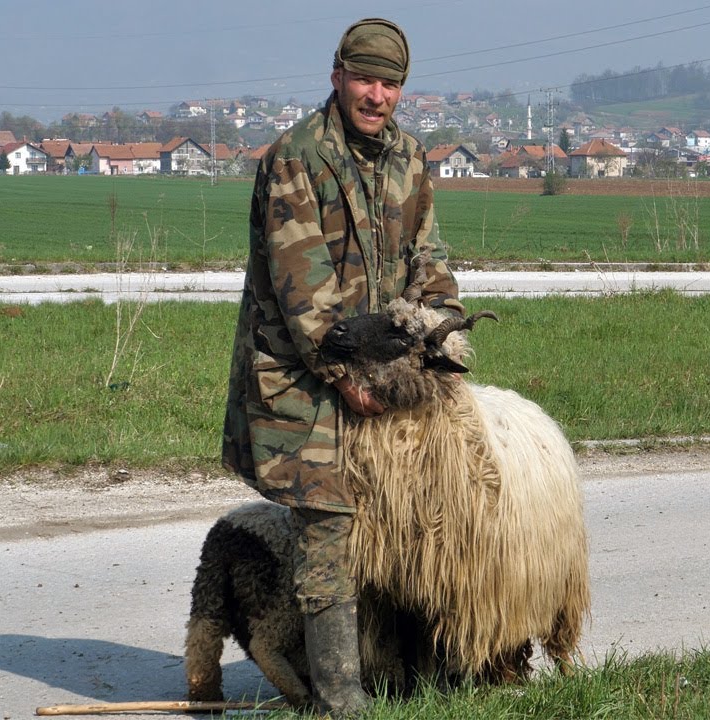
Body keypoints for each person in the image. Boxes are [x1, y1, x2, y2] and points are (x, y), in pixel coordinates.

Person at [221, 17, 463, 715]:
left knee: (415, 517)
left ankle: (422, 675)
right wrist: (350, 382)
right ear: (337, 76)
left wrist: (440, 336)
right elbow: (306, 300)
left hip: (392, 376)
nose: (377, 95)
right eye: (365, 78)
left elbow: (431, 260)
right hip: (307, 383)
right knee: (330, 528)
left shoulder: (410, 159)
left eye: (390, 84)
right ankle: (340, 700)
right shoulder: (297, 159)